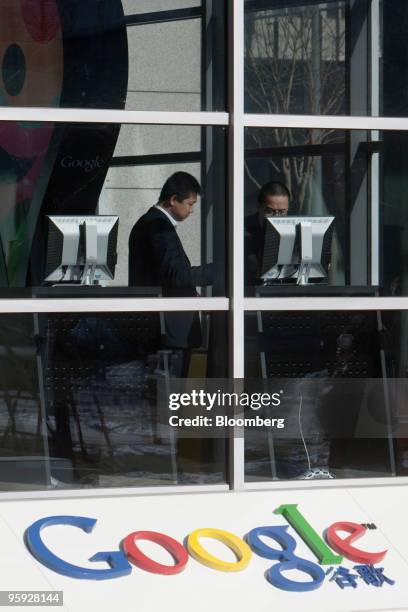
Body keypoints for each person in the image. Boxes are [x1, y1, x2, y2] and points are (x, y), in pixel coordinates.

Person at [128, 172, 213, 376]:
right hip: (168, 331)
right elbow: (176, 274)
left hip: (167, 327)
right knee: (169, 394)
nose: (191, 210)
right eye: (190, 204)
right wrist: (220, 271)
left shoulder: (153, 223)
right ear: (173, 200)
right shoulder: (158, 226)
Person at [245, 181, 290, 286]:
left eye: (282, 212)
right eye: (270, 211)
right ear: (259, 207)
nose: (277, 217)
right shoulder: (242, 231)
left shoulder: (293, 231)